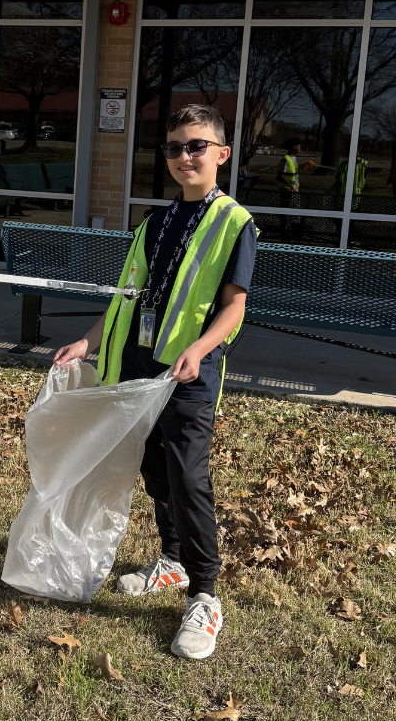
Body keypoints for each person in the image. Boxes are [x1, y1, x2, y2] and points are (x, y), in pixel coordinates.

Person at [54, 104, 256, 661]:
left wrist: (198, 349)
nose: (183, 156)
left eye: (195, 146)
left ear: (221, 154)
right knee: (152, 469)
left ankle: (205, 594)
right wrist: (89, 342)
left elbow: (233, 309)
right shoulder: (153, 223)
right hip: (139, 372)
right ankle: (170, 559)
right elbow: (126, 298)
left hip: (188, 376)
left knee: (188, 478)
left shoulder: (234, 224)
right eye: (173, 147)